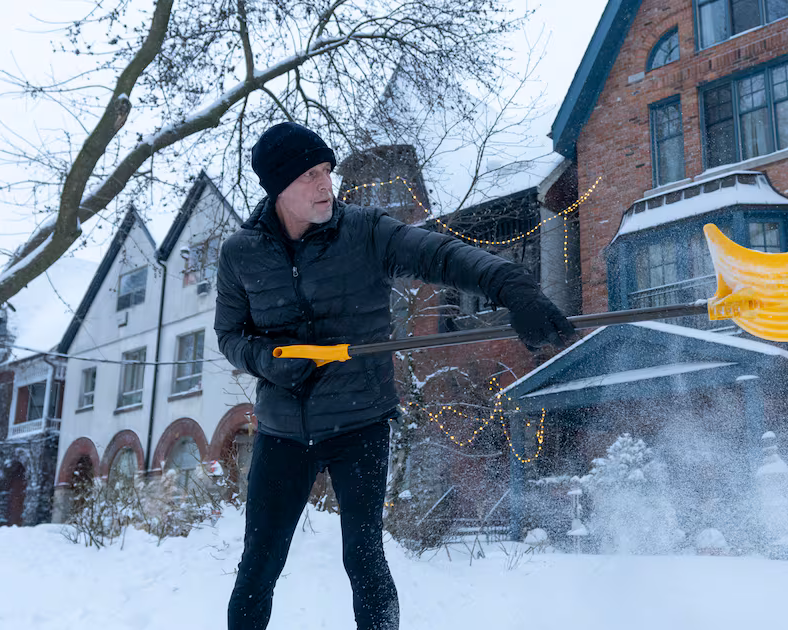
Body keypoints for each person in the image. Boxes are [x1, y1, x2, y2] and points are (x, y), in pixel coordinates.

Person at [215, 121, 575, 630]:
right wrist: (271, 359)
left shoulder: (364, 230)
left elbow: (442, 255)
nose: (325, 186)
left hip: (360, 423)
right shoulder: (240, 253)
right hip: (282, 432)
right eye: (308, 176)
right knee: (258, 567)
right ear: (277, 187)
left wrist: (513, 285)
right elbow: (230, 335)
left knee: (364, 560)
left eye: (326, 172)